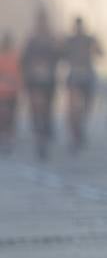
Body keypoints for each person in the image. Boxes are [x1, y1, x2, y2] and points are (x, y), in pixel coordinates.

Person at [21, 10, 63, 160]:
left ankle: (45, 129)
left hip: (48, 80)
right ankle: (39, 130)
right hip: (34, 80)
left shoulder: (52, 39)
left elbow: (59, 56)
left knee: (47, 109)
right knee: (35, 108)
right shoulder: (31, 39)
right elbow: (24, 59)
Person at [62, 16, 103, 152]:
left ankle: (80, 126)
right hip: (74, 75)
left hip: (87, 75)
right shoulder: (69, 41)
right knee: (74, 108)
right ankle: (75, 133)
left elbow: (101, 53)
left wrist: (96, 47)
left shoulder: (89, 40)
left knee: (87, 107)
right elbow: (60, 55)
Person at [0, 32, 19, 151]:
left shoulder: (15, 57)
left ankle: (9, 138)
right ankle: (4, 136)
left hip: (12, 92)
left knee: (11, 116)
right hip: (2, 92)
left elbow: (19, 74)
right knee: (3, 116)